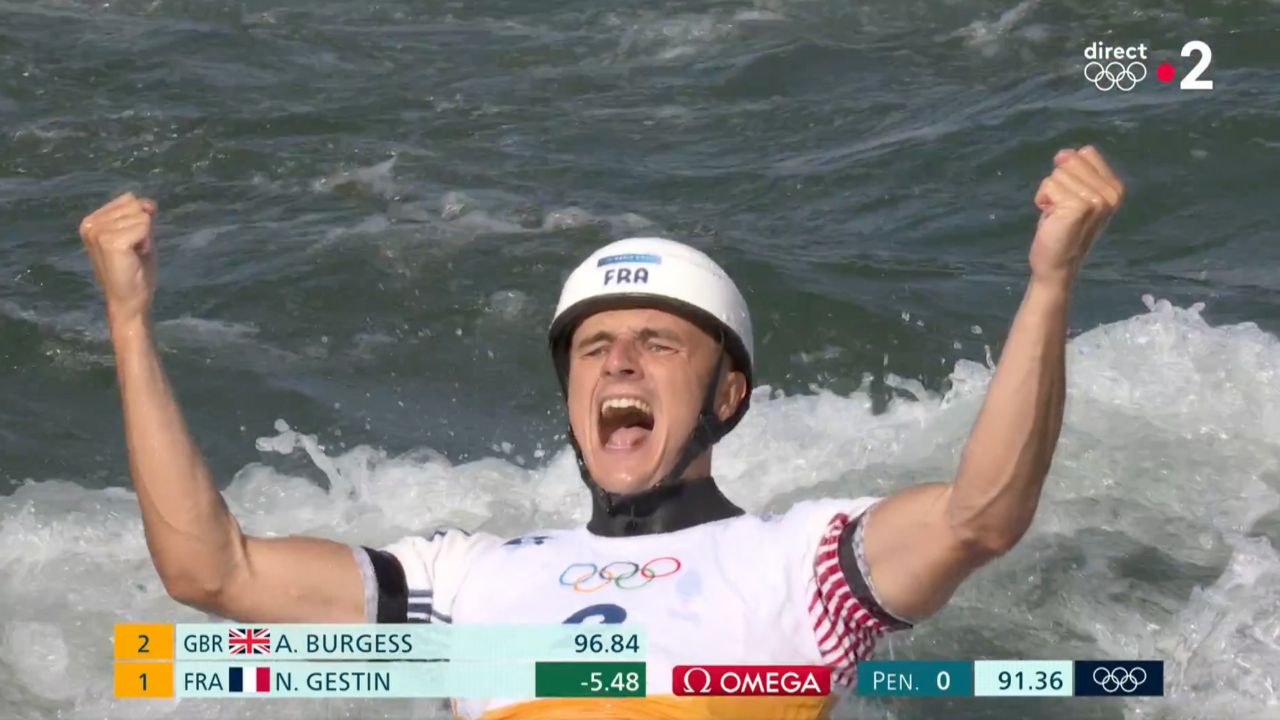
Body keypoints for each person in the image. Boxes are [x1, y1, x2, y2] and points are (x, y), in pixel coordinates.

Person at [78, 145, 1124, 719]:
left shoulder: (801, 562)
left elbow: (979, 517)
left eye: (658, 345)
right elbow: (210, 573)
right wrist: (127, 319)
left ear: (726, 397)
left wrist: (1047, 280)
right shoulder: (461, 581)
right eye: (594, 348)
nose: (619, 361)